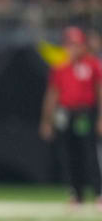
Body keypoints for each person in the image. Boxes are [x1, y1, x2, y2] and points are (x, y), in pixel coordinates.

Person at [40, 26, 102, 209]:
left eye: (75, 44)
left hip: (85, 113)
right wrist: (46, 120)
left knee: (89, 153)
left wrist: (100, 118)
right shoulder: (60, 67)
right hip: (65, 114)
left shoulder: (92, 65)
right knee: (69, 154)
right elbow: (52, 94)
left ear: (83, 45)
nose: (71, 48)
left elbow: (99, 92)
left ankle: (99, 193)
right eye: (68, 44)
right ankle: (76, 194)